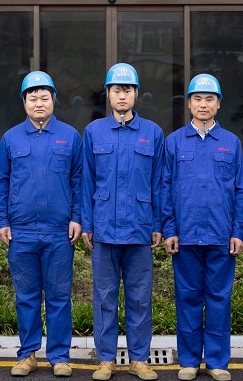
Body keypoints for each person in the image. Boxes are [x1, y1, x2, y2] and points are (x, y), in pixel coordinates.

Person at [0, 71, 83, 378]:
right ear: (24, 102)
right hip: (21, 232)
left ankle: (59, 356)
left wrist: (77, 217)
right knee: (26, 297)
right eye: (33, 98)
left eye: (45, 97)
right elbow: (1, 183)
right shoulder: (10, 138)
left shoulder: (70, 136)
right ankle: (28, 354)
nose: (39, 103)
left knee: (59, 297)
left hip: (59, 231)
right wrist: (2, 221)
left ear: (53, 100)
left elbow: (78, 180)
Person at [161, 74, 243, 381]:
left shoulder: (231, 143)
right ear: (189, 103)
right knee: (187, 300)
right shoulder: (174, 142)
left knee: (218, 301)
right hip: (185, 236)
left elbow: (241, 190)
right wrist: (169, 229)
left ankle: (216, 361)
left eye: (209, 99)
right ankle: (188, 361)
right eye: (197, 99)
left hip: (221, 236)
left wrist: (239, 231)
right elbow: (165, 188)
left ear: (219, 104)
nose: (203, 104)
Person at [82, 64, 164, 381]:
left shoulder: (152, 133)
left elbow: (159, 184)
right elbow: (87, 182)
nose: (122, 95)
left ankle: (139, 359)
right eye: (116, 89)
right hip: (104, 228)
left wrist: (157, 224)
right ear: (108, 93)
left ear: (136, 93)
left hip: (140, 228)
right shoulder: (94, 131)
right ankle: (106, 359)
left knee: (140, 297)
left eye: (127, 89)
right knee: (104, 297)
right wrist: (87, 224)